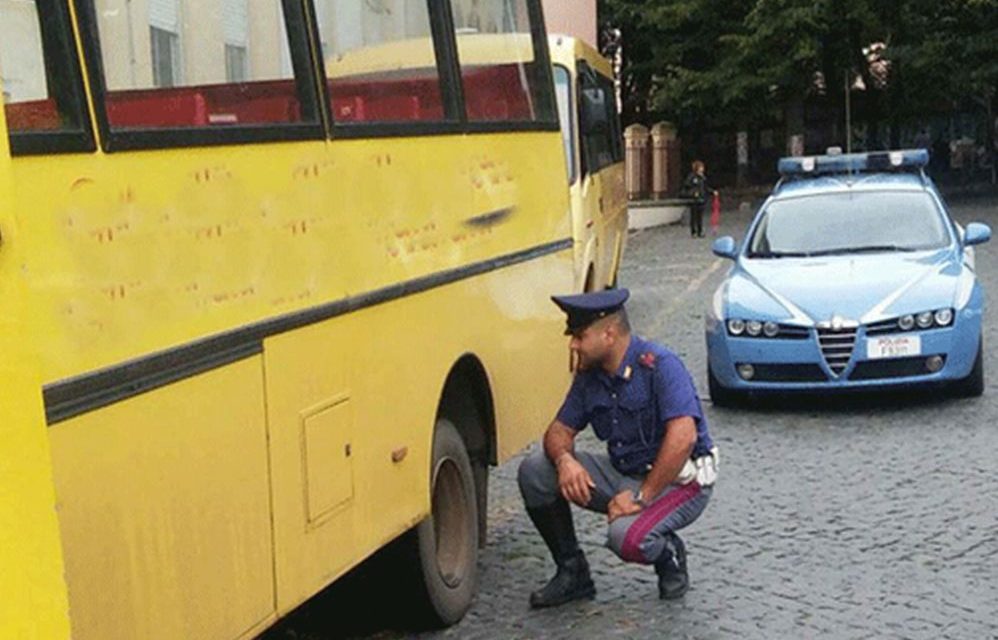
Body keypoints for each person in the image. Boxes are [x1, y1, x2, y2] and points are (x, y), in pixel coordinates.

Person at [518, 288, 718, 608]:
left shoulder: (659, 365)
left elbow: (684, 439)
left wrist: (642, 497)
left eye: (580, 336)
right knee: (536, 469)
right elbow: (558, 431)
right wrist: (565, 460)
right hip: (624, 473)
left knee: (625, 539)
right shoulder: (590, 377)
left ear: (608, 334)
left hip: (679, 480)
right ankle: (573, 573)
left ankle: (668, 554)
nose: (573, 344)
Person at [681, 160, 717, 238]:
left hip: (701, 199)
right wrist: (693, 193)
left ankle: (700, 231)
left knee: (700, 217)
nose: (702, 169)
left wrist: (712, 192)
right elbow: (687, 186)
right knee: (693, 216)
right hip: (694, 199)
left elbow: (705, 188)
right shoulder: (691, 177)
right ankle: (693, 232)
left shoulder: (702, 177)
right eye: (700, 167)